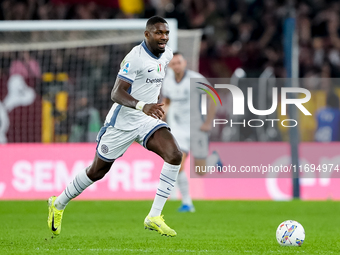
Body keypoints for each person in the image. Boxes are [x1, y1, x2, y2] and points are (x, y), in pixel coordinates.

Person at [47, 16, 182, 237]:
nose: (164, 37)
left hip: (147, 120)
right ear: (147, 34)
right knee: (97, 171)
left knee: (175, 155)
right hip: (122, 123)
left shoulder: (167, 54)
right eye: (159, 33)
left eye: (166, 33)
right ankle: (58, 203)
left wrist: (155, 104)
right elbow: (116, 93)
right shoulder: (135, 58)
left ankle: (154, 216)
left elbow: (154, 81)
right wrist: (142, 105)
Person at [162, 52, 219, 212]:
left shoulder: (195, 79)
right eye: (173, 64)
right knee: (178, 163)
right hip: (178, 129)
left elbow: (213, 96)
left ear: (185, 63)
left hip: (196, 128)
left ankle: (214, 158)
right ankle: (187, 202)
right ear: (170, 66)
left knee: (200, 171)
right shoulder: (168, 82)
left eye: (179, 62)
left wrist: (208, 122)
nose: (176, 66)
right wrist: (161, 115)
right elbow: (167, 102)